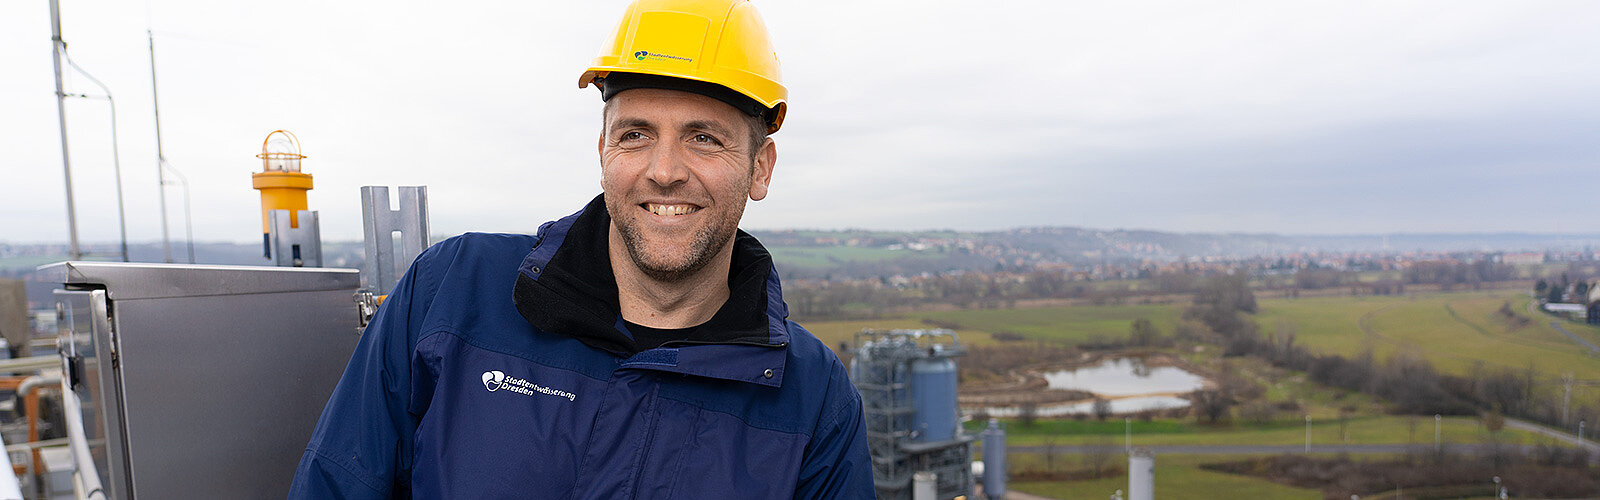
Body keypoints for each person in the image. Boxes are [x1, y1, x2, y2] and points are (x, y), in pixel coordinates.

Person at [287, 0, 875, 498]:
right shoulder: (451, 294)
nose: (664, 171)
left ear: (760, 167)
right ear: (602, 153)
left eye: (704, 138)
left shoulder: (813, 400)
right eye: (636, 134)